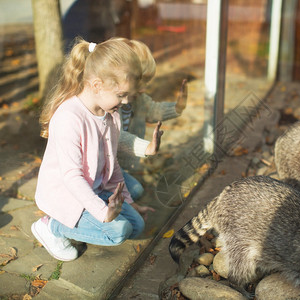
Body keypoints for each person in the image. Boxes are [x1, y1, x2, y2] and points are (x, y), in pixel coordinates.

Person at [31, 37, 160, 261]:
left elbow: (112, 161)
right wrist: (103, 213)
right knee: (118, 232)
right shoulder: (69, 117)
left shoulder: (109, 114)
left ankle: (84, 224)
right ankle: (52, 227)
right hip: (67, 194)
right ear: (97, 85)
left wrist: (129, 202)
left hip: (95, 185)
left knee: (136, 227)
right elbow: (72, 177)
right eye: (121, 95)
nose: (126, 101)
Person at [117, 39, 188, 201]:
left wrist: (177, 107)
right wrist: (146, 147)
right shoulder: (111, 106)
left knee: (133, 192)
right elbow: (116, 136)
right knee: (133, 191)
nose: (144, 89)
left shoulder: (139, 100)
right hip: (112, 164)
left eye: (146, 83)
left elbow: (154, 110)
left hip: (129, 164)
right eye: (140, 83)